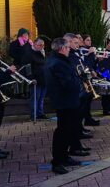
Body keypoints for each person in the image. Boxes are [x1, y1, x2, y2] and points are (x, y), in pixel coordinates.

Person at [44, 37, 84, 175]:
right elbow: (67, 83)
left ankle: (64, 156)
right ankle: (58, 161)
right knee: (62, 132)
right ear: (61, 49)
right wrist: (79, 82)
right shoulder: (58, 63)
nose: (69, 49)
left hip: (66, 101)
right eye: (67, 47)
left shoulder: (57, 60)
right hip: (65, 102)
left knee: (67, 130)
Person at [63, 33, 91, 157]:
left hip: (79, 89)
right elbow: (76, 71)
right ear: (68, 42)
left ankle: (77, 145)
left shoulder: (75, 54)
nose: (77, 44)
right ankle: (74, 147)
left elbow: (83, 68)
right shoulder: (70, 56)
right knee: (73, 122)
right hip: (75, 92)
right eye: (75, 42)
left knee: (77, 119)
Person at [22, 38, 47, 120]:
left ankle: (40, 113)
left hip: (43, 79)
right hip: (35, 80)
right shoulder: (29, 54)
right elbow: (27, 68)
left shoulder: (42, 52)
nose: (42, 47)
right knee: (35, 98)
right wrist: (31, 78)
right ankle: (34, 115)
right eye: (40, 45)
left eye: (43, 45)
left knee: (41, 97)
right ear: (34, 44)